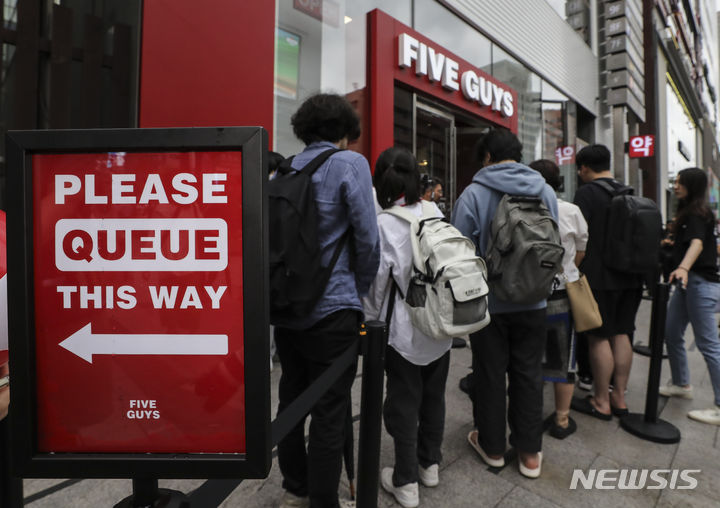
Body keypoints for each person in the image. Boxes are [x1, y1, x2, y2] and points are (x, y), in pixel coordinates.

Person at [273, 93, 380, 508]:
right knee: (331, 409)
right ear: (343, 132)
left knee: (292, 398)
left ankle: (294, 484)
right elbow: (368, 240)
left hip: (287, 308)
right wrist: (360, 289)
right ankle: (322, 500)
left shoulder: (286, 167)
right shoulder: (349, 164)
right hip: (333, 309)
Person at [452, 128, 558, 478]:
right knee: (529, 374)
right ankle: (530, 454)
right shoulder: (544, 190)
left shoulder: (474, 193)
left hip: (490, 305)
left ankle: (493, 447)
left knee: (489, 373)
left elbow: (459, 253)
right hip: (535, 301)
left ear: (487, 157)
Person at [363, 147, 452, 508]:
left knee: (402, 404)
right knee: (434, 398)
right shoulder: (435, 211)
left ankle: (405, 481)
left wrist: (371, 325)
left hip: (404, 330)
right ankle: (429, 464)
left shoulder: (385, 222)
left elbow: (377, 287)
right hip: (442, 325)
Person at [570, 144, 643, 420]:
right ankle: (619, 397)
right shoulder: (627, 192)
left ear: (585, 167)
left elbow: (578, 238)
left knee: (598, 337)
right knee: (622, 333)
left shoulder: (587, 194)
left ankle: (601, 401)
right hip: (631, 277)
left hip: (600, 278)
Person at [529, 159, 588, 439]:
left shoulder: (521, 209)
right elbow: (580, 251)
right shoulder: (571, 210)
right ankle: (562, 421)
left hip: (527, 293)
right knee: (563, 359)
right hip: (562, 292)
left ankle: (529, 414)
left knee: (529, 357)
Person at [660, 167, 720, 425]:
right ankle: (682, 384)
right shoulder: (692, 213)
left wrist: (683, 266)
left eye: (680, 183)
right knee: (672, 331)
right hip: (689, 284)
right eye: (675, 182)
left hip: (699, 283)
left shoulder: (696, 213)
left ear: (692, 186)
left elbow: (697, 243)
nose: (675, 186)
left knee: (709, 345)